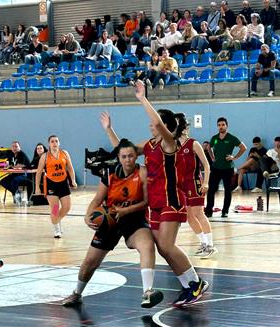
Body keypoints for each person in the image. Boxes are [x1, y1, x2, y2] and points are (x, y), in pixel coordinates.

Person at [101, 82, 209, 308]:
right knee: (162, 247)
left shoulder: (170, 143)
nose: (151, 123)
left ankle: (195, 283)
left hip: (172, 200)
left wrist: (142, 99)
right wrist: (109, 129)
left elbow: (159, 123)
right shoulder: (149, 145)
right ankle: (191, 284)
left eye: (156, 121)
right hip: (156, 203)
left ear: (165, 126)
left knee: (168, 246)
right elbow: (124, 151)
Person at [62, 139, 163, 308]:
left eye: (131, 156)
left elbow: (146, 202)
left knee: (147, 245)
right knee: (90, 262)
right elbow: (97, 199)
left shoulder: (142, 173)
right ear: (119, 157)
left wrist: (126, 211)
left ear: (135, 157)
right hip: (110, 221)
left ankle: (147, 292)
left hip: (134, 220)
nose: (128, 160)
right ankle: (77, 293)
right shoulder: (109, 174)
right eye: (124, 156)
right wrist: (87, 216)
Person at [175, 113, 217, 258]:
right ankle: (203, 243)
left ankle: (211, 245)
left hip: (195, 182)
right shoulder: (173, 146)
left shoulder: (193, 143)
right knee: (189, 216)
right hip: (181, 185)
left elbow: (206, 164)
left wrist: (205, 182)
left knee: (199, 213)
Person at [35, 135, 77, 238]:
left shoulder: (64, 153)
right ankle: (56, 228)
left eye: (56, 141)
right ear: (49, 144)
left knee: (67, 207)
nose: (54, 143)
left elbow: (70, 168)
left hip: (63, 183)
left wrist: (73, 180)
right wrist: (37, 186)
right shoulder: (44, 156)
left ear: (59, 143)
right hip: (51, 183)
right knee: (55, 208)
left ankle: (56, 220)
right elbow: (39, 172)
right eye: (52, 141)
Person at [205, 117, 247, 218]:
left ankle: (225, 211)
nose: (221, 127)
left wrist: (234, 157)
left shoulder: (232, 138)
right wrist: (212, 157)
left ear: (226, 126)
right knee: (211, 190)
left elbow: (243, 147)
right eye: (219, 125)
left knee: (227, 190)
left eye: (223, 125)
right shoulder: (214, 138)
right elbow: (208, 147)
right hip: (216, 168)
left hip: (228, 168)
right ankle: (209, 210)